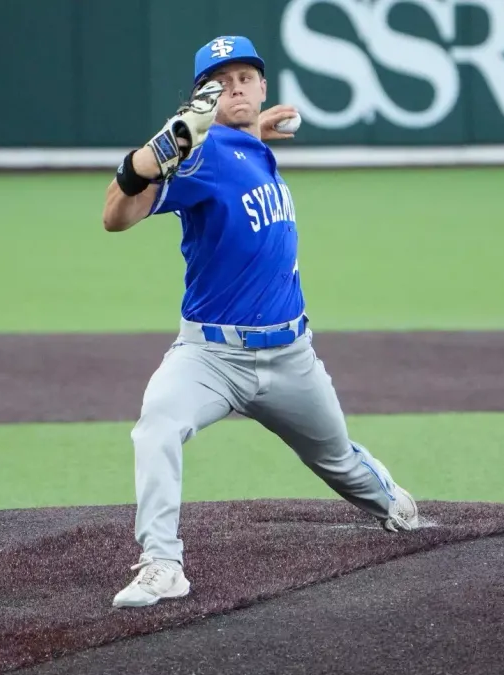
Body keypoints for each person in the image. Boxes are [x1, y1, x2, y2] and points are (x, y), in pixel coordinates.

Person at [100, 35, 421, 609]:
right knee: (156, 427)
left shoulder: (246, 143)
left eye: (245, 77)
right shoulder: (197, 154)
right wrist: (145, 161)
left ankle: (389, 498)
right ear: (200, 98)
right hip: (210, 358)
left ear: (263, 86)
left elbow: (237, 144)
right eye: (219, 83)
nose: (235, 87)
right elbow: (114, 217)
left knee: (342, 465)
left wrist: (256, 129)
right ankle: (161, 563)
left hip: (291, 358)